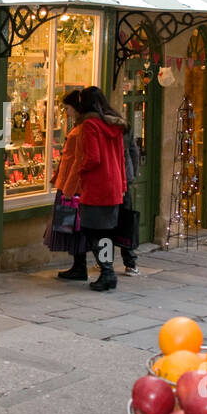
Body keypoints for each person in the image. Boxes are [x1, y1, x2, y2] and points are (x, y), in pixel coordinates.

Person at [74, 85, 128, 292]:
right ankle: (108, 272)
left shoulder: (90, 125)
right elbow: (121, 159)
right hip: (113, 186)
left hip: (96, 187)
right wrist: (122, 185)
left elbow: (92, 157)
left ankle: (107, 272)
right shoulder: (115, 126)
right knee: (105, 232)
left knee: (92, 230)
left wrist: (80, 169)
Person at [50, 89, 88, 281]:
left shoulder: (80, 131)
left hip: (71, 187)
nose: (66, 111)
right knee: (72, 228)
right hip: (67, 183)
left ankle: (80, 266)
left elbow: (77, 161)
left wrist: (69, 189)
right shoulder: (78, 128)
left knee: (74, 228)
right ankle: (78, 265)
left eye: (67, 108)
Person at [120, 124, 140, 275]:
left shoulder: (101, 126)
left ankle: (105, 262)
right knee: (126, 222)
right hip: (124, 181)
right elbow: (134, 152)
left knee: (106, 224)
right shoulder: (123, 126)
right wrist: (131, 175)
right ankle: (130, 262)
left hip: (111, 182)